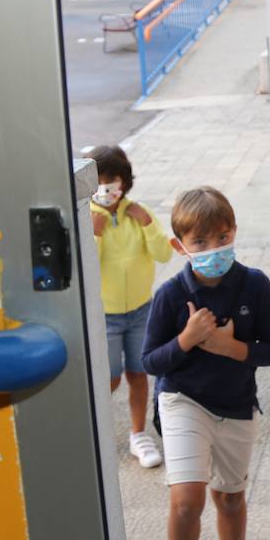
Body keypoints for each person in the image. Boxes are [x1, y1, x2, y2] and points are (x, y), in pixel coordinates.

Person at [142, 186, 270, 540]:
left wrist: (229, 347)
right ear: (180, 246)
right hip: (182, 399)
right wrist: (187, 339)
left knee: (229, 497)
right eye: (200, 242)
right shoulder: (171, 295)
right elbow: (151, 361)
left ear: (234, 232)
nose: (213, 249)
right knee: (187, 499)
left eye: (222, 238)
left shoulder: (254, 285)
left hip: (237, 403)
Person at [89, 144, 172, 469]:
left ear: (124, 182)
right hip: (105, 315)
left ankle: (138, 434)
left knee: (139, 373)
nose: (107, 189)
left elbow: (164, 255)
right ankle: (98, 433)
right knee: (108, 378)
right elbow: (85, 269)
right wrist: (93, 236)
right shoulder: (88, 219)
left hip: (141, 310)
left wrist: (149, 222)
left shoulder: (138, 213)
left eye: (113, 181)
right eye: (100, 182)